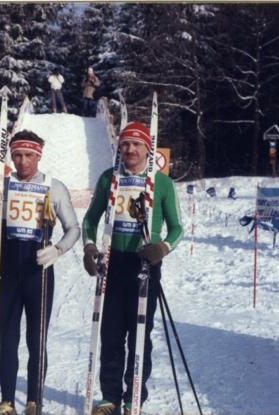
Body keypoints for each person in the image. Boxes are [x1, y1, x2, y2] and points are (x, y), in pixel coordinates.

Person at [81, 121, 183, 415]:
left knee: (140, 333)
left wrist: (162, 247)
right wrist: (89, 247)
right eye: (125, 144)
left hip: (144, 263)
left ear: (147, 149)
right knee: (111, 333)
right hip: (113, 264)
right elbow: (90, 220)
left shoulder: (161, 183)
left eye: (136, 144)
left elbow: (177, 228)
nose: (130, 149)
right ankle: (110, 396)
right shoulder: (109, 179)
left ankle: (133, 394)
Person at [0, 130, 80, 415]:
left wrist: (58, 250)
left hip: (38, 271)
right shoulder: (4, 185)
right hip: (8, 272)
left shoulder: (53, 186)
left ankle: (34, 400)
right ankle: (7, 401)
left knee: (36, 339)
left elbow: (74, 228)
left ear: (38, 156)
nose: (22, 161)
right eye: (17, 155)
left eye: (28, 155)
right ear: (11, 156)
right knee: (8, 338)